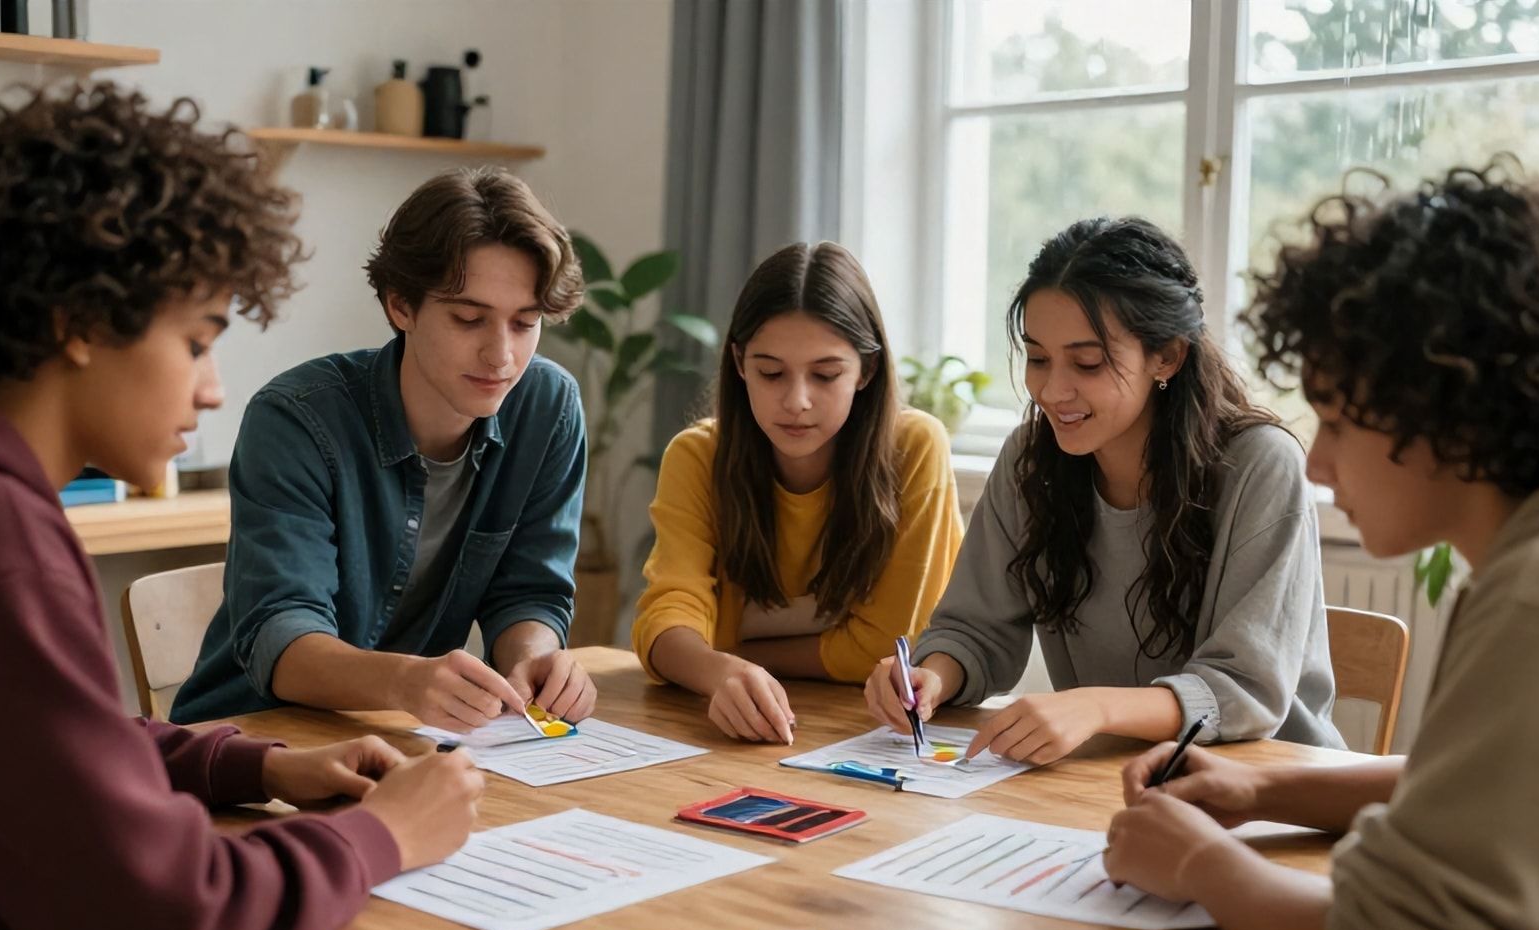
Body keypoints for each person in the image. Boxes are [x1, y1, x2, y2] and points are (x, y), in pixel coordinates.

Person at [0, 82, 483, 930]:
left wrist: (251, 765)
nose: (211, 391)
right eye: (198, 340)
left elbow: (27, 749)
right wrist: (380, 838)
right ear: (80, 321)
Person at [1105, 163, 1539, 930]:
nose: (1320, 462)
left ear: (1444, 408)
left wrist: (1196, 864)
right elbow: (1483, 787)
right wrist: (1262, 791)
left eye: (1337, 417)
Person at [867, 217, 1343, 762]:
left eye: (1088, 362)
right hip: (1106, 781)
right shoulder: (1031, 460)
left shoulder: (1262, 465)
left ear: (1166, 355)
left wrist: (1095, 709)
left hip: (1267, 795)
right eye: (1038, 358)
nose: (1051, 389)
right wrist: (931, 676)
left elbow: (1245, 691)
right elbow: (974, 628)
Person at [172, 166, 597, 731]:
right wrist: (403, 682)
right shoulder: (296, 419)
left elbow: (530, 590)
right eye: (469, 319)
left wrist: (535, 660)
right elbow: (281, 632)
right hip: (250, 737)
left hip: (399, 737)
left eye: (525, 323)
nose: (502, 357)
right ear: (400, 306)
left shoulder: (548, 408)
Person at [634, 242, 963, 743]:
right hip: (734, 723)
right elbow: (664, 621)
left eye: (826, 375)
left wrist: (727, 653)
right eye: (770, 372)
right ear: (740, 363)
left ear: (867, 371)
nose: (796, 401)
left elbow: (886, 646)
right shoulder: (698, 455)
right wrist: (717, 671)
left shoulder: (915, 447)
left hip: (867, 728)